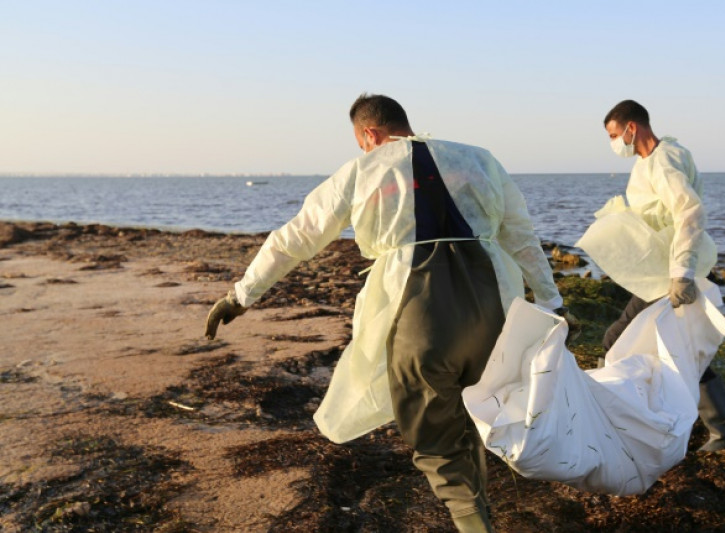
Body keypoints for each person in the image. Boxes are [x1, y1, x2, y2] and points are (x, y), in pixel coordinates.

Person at [204, 94, 566, 532]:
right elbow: (522, 236)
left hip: (420, 310)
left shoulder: (361, 171)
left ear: (369, 134)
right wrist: (551, 302)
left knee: (436, 437)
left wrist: (242, 295)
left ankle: (475, 524)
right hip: (495, 306)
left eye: (362, 142)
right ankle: (480, 508)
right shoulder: (478, 159)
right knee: (475, 414)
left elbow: (295, 238)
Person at [600, 99, 725, 453]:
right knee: (681, 351)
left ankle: (616, 418)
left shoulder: (663, 162)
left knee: (618, 341)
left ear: (632, 128)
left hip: (671, 274)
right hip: (659, 271)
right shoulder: (651, 161)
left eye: (615, 135)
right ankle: (715, 431)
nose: (614, 144)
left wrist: (681, 273)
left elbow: (689, 213)